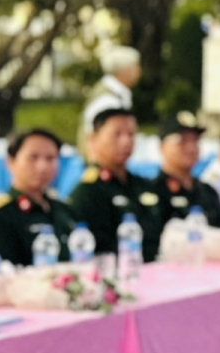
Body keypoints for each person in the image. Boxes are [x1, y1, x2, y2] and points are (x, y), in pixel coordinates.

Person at [69, 107, 171, 259]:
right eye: (116, 134)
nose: (126, 141)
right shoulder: (87, 192)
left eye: (131, 134)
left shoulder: (144, 185)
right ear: (93, 139)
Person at [0, 128, 78, 267]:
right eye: (33, 158)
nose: (43, 167)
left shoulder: (64, 209)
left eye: (50, 158)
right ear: (10, 162)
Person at [154, 113, 220, 235]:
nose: (191, 148)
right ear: (162, 147)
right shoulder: (154, 191)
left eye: (195, 140)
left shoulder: (207, 191)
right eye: (182, 141)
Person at [80, 46, 141, 147]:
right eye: (136, 66)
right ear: (123, 71)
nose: (139, 71)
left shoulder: (117, 92)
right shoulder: (107, 99)